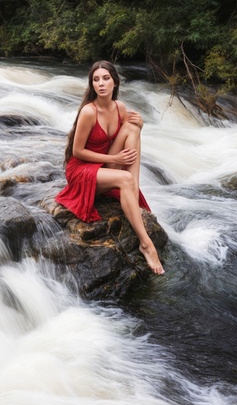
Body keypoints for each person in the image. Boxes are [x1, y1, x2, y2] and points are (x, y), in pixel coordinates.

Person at [55, 60, 164, 275]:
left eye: (106, 78)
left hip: (104, 164)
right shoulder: (89, 111)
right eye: (96, 80)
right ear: (92, 85)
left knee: (132, 127)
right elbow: (77, 152)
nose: (101, 84)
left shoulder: (119, 108)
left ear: (115, 82)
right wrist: (113, 156)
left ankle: (132, 190)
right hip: (82, 170)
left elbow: (129, 135)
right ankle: (146, 243)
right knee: (124, 179)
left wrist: (140, 125)